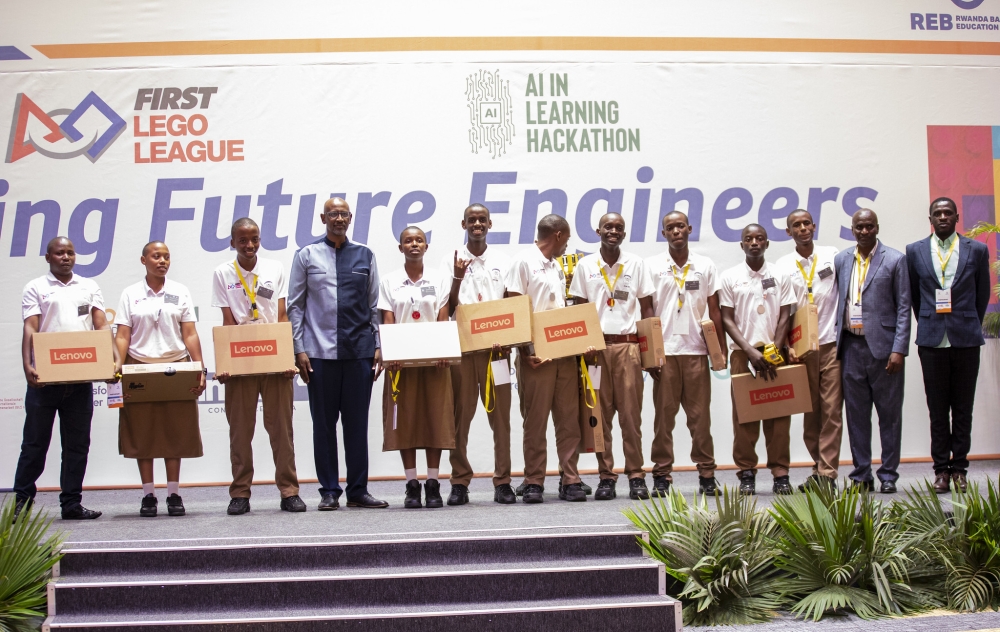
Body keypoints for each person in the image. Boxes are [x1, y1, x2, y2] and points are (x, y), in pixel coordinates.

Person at [287, 197, 388, 510]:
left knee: (357, 424)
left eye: (343, 214)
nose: (339, 219)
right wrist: (299, 348)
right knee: (324, 425)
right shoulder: (306, 255)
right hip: (319, 354)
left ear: (350, 217)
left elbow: (374, 306)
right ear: (323, 217)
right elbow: (295, 306)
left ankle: (358, 490)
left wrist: (379, 344)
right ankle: (330, 490)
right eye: (333, 214)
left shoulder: (365, 255)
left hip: (359, 352)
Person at [13, 237, 113, 521]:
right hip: (45, 380)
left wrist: (109, 361)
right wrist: (26, 364)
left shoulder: (88, 286)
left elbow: (100, 325)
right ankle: (22, 503)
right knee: (34, 444)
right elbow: (30, 328)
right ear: (48, 257)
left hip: (80, 381)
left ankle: (71, 504)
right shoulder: (36, 287)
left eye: (70, 252)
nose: (66, 257)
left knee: (77, 445)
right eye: (59, 253)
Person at [211, 218, 305, 515]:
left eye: (254, 239)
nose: (249, 245)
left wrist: (287, 358)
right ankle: (240, 492)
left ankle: (289, 491)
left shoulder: (274, 268)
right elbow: (227, 321)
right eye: (242, 240)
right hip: (240, 359)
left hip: (273, 356)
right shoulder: (222, 273)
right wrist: (224, 364)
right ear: (232, 243)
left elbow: (281, 316)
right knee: (240, 431)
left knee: (281, 429)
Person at [114, 241, 206, 517]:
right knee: (142, 432)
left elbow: (189, 333)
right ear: (144, 260)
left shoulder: (179, 292)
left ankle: (174, 493)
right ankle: (148, 495)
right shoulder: (130, 294)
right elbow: (122, 335)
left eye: (166, 256)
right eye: (156, 256)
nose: (162, 261)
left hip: (175, 366)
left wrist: (200, 367)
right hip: (138, 367)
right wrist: (116, 366)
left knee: (174, 430)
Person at [906, 197, 990, 494]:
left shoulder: (977, 250)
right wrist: (930, 320)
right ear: (930, 218)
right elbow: (915, 297)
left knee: (963, 408)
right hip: (931, 339)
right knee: (937, 409)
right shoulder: (914, 251)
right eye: (937, 213)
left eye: (947, 213)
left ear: (956, 216)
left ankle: (960, 468)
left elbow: (982, 296)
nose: (942, 217)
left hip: (966, 338)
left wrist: (966, 321)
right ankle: (941, 469)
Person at [569, 212, 654, 501]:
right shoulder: (585, 265)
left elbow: (648, 310)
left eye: (618, 227)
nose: (613, 231)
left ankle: (636, 474)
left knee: (631, 415)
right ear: (598, 230)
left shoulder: (636, 264)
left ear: (624, 232)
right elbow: (578, 309)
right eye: (608, 226)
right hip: (595, 351)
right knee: (599, 416)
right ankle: (606, 475)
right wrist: (583, 346)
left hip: (628, 348)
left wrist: (651, 352)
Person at [506, 214, 586, 503]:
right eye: (567, 239)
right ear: (559, 235)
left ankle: (570, 478)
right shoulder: (523, 261)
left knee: (568, 419)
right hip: (536, 354)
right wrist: (526, 350)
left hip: (563, 352)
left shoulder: (555, 266)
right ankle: (534, 479)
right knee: (536, 420)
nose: (567, 245)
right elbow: (514, 307)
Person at [645, 211, 724, 496]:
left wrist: (719, 353)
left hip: (696, 351)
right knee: (663, 419)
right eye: (670, 227)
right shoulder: (652, 266)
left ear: (689, 229)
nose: (676, 231)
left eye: (680, 226)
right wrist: (650, 354)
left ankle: (706, 473)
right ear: (663, 233)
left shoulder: (705, 265)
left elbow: (714, 310)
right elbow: (647, 310)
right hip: (664, 353)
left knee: (700, 417)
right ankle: (662, 474)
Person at [835, 209, 911, 494]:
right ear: (852, 229)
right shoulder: (842, 259)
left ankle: (889, 474)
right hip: (851, 346)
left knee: (889, 415)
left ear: (877, 227)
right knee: (856, 416)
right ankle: (861, 474)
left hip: (884, 350)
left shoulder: (895, 260)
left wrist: (899, 349)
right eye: (859, 227)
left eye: (869, 226)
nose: (864, 231)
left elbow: (904, 308)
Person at [444, 203, 516, 505]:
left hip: (496, 353)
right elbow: (447, 309)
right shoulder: (451, 260)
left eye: (481, 220)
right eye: (471, 220)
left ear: (490, 224)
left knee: (501, 419)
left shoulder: (503, 260)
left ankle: (503, 482)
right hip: (463, 351)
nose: (477, 224)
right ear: (463, 224)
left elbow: (512, 304)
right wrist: (458, 277)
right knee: (460, 418)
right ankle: (459, 481)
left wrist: (508, 338)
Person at [379, 226, 455, 508]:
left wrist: (444, 351)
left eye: (419, 240)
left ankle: (433, 483)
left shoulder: (439, 278)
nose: (414, 244)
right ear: (400, 248)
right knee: (406, 422)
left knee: (436, 419)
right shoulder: (389, 281)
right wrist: (391, 354)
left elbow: (442, 319)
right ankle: (412, 484)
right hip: (401, 364)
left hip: (435, 361)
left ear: (426, 246)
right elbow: (388, 321)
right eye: (408, 241)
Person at [719, 224, 796, 496]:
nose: (754, 242)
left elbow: (786, 314)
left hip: (775, 352)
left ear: (767, 243)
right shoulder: (729, 277)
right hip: (743, 353)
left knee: (779, 417)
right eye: (748, 239)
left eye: (759, 238)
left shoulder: (780, 274)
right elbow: (727, 319)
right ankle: (747, 472)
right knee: (744, 417)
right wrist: (750, 351)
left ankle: (780, 473)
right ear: (741, 245)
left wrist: (774, 347)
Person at [777, 210, 842, 491]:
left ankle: (827, 473)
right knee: (810, 412)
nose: (802, 228)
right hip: (801, 349)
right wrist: (788, 346)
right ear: (788, 232)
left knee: (832, 411)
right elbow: (784, 311)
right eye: (796, 225)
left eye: (806, 223)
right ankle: (818, 467)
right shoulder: (782, 265)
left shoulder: (833, 256)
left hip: (832, 344)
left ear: (813, 226)